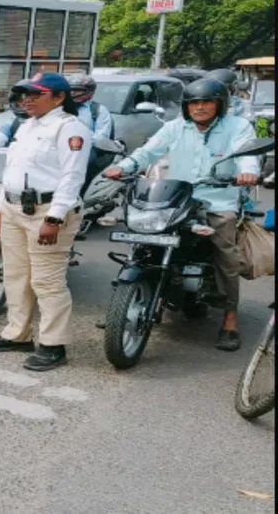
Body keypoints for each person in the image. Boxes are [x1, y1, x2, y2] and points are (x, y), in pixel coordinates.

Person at [104, 77, 260, 351]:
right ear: (186, 106)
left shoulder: (238, 127)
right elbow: (148, 152)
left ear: (220, 104)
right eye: (193, 102)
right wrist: (124, 167)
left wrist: (248, 172)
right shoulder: (175, 127)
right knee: (142, 239)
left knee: (225, 254)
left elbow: (247, 155)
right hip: (178, 198)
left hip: (217, 201)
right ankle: (125, 302)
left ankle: (230, 318)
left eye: (207, 102)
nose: (199, 107)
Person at [0, 73, 91, 371]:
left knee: (47, 280)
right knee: (16, 275)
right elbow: (12, 173)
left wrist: (55, 218)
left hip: (48, 210)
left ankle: (53, 344)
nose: (26, 100)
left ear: (59, 98)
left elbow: (73, 176)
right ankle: (18, 334)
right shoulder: (26, 126)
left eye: (35, 94)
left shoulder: (70, 128)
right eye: (23, 94)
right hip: (14, 208)